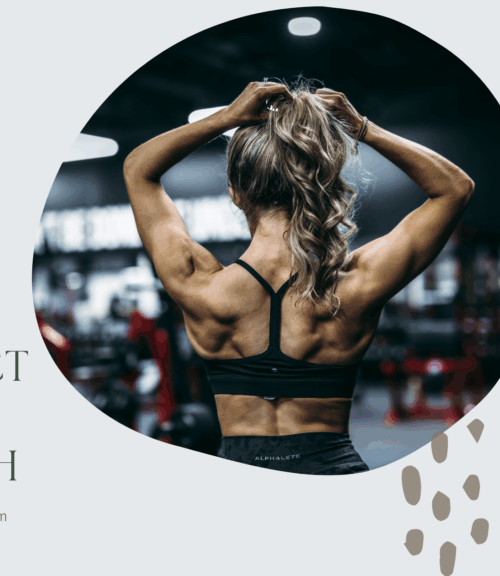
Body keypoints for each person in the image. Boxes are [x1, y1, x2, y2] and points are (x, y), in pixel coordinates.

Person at [122, 80, 474, 474]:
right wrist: (361, 127)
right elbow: (454, 188)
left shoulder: (200, 285)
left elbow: (138, 169)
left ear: (236, 194)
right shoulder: (356, 284)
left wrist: (227, 118)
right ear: (319, 188)